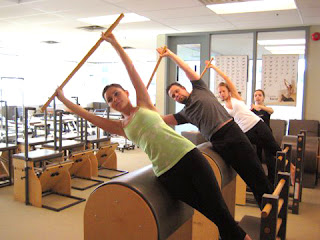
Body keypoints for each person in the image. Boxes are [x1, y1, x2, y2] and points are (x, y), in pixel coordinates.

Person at [55, 34, 251, 240]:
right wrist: (64, 99)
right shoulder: (120, 127)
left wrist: (114, 43)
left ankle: (238, 237)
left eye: (116, 94)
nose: (114, 99)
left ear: (126, 93)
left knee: (217, 206)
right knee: (209, 210)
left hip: (188, 156)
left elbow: (130, 68)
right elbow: (88, 116)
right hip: (167, 173)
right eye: (110, 100)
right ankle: (236, 236)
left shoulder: (144, 103)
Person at [157, 47, 273, 208]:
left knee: (255, 169)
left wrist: (170, 55)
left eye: (177, 91)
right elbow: (161, 119)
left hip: (232, 132)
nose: (177, 96)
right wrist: (144, 111)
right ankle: (264, 207)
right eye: (173, 96)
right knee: (245, 174)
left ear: (183, 88)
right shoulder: (184, 114)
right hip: (219, 142)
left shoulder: (199, 88)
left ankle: (269, 206)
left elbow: (186, 68)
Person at [214, 64, 285, 186]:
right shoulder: (223, 108)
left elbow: (226, 78)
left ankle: (291, 168)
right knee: (255, 154)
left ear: (228, 91)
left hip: (257, 124)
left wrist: (214, 68)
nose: (222, 94)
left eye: (223, 91)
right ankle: (263, 182)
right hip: (246, 131)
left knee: (274, 149)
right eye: (220, 92)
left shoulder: (236, 97)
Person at [251, 89, 274, 161]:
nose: (257, 97)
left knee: (269, 155)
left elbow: (272, 111)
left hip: (267, 134)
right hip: (257, 135)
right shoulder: (252, 110)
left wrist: (260, 106)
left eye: (260, 95)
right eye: (255, 95)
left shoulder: (267, 109)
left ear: (263, 98)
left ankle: (271, 172)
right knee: (257, 155)